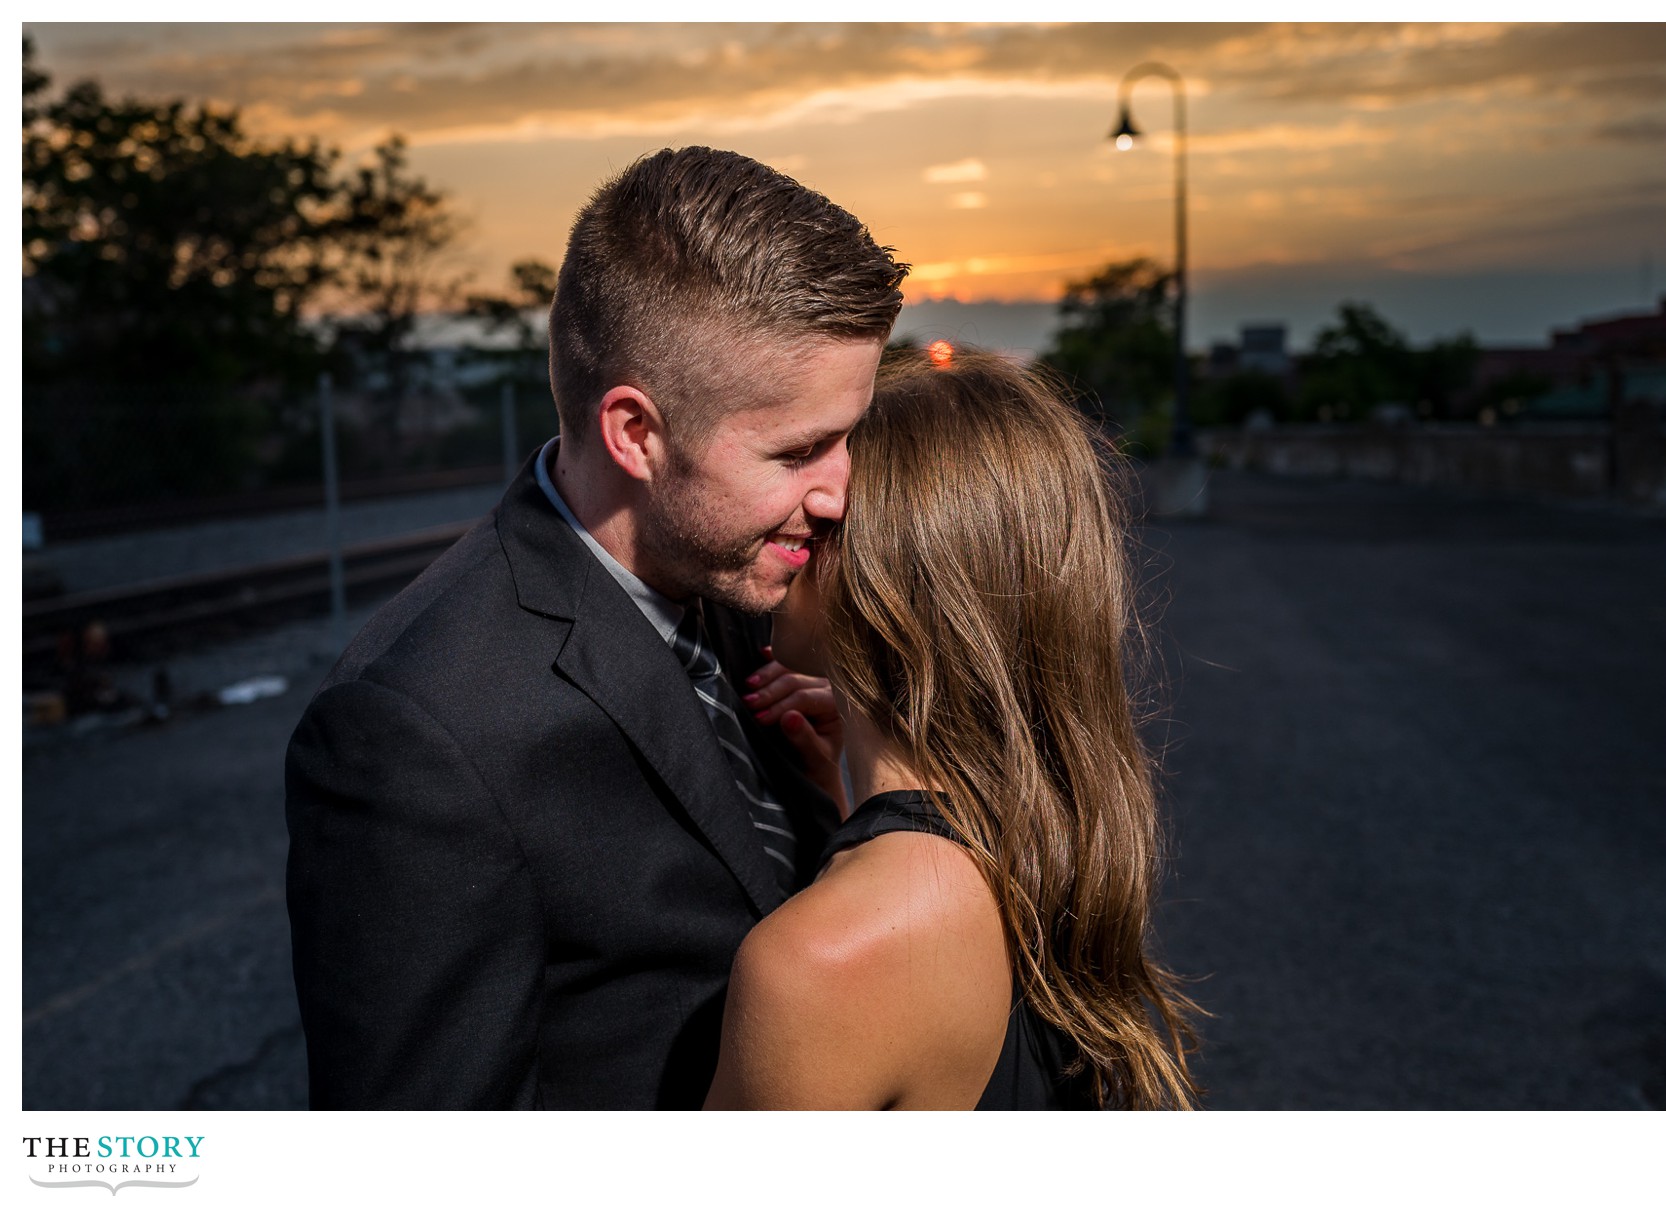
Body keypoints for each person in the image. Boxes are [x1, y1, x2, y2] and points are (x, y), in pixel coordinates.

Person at [284, 147, 907, 1109]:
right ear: (636, 434)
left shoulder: (748, 582)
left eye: (849, 435)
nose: (841, 491)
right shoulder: (415, 730)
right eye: (799, 451)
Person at [704, 349, 1202, 1110]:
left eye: (825, 498)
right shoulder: (1041, 834)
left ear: (890, 561)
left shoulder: (821, 959)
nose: (793, 517)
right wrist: (842, 799)